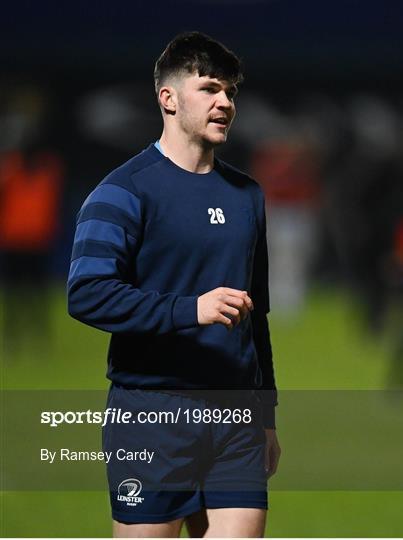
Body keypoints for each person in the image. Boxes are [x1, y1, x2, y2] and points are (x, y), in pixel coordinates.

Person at [68, 31, 280, 538]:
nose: (225, 102)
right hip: (152, 416)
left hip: (237, 421)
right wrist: (190, 310)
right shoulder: (123, 191)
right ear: (168, 98)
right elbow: (87, 292)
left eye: (230, 91)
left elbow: (259, 316)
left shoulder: (247, 196)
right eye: (209, 88)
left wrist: (267, 412)